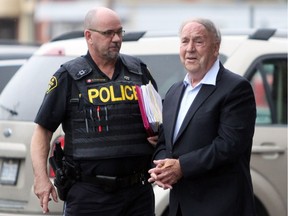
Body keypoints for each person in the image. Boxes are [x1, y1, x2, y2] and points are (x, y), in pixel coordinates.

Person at [30, 7, 158, 216]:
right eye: (108, 33)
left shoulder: (138, 71)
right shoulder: (68, 76)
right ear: (89, 36)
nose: (116, 38)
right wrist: (41, 178)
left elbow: (158, 120)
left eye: (119, 32)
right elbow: (42, 131)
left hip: (137, 193)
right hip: (89, 195)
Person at [148, 18, 257, 216]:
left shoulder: (236, 88)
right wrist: (162, 166)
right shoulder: (174, 92)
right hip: (179, 205)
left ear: (215, 48)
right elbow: (165, 142)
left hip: (221, 207)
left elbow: (229, 145)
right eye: (184, 41)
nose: (190, 49)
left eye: (198, 41)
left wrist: (182, 166)